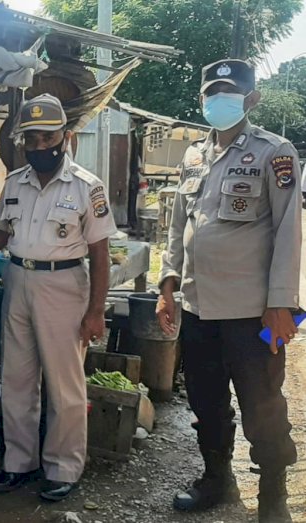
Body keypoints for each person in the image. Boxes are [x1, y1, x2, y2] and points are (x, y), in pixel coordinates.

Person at [0, 94, 117, 501]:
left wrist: (95, 310)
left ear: (65, 138)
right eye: (30, 140)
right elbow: (0, 233)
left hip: (65, 286)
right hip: (18, 280)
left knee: (64, 384)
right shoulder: (15, 182)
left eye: (46, 138)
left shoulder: (87, 186)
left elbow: (100, 250)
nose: (38, 147)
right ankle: (19, 462)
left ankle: (63, 467)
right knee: (17, 379)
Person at [157, 59, 301, 523]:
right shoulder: (194, 156)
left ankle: (273, 495)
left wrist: (281, 304)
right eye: (212, 92)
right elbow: (179, 224)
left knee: (263, 403)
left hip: (251, 312)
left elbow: (288, 231)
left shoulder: (274, 152)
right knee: (206, 401)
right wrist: (167, 283)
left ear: (251, 99)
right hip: (198, 308)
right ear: (202, 99)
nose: (219, 99)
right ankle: (217, 479)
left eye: (230, 91)